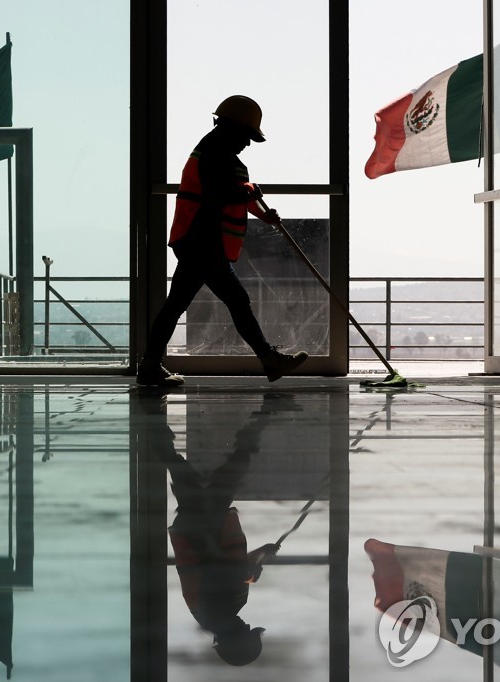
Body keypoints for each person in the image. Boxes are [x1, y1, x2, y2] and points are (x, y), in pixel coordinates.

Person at [137, 95, 309, 387]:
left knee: (178, 305)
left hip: (199, 241)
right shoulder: (214, 154)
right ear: (231, 127)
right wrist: (250, 193)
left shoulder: (217, 153)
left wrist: (260, 211)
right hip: (202, 241)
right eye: (247, 136)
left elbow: (232, 191)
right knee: (235, 301)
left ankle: (150, 365)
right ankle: (269, 359)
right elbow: (220, 195)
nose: (248, 143)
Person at [145, 393, 283, 666]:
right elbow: (232, 568)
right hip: (203, 523)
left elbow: (216, 568)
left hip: (203, 523)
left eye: (246, 630)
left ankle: (266, 412)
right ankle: (154, 416)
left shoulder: (216, 612)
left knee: (229, 466)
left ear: (236, 637)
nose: (246, 624)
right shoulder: (223, 612)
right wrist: (259, 556)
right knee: (188, 467)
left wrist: (251, 568)